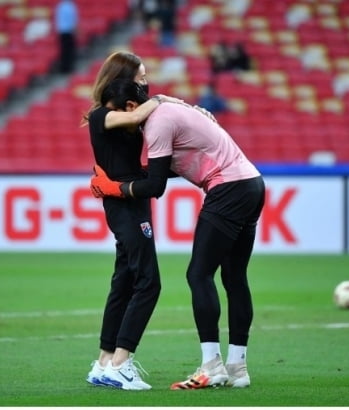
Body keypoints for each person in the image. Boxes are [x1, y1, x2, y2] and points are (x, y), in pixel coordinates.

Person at [90, 79, 266, 390]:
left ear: (131, 107)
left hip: (226, 189)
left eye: (119, 114)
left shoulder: (157, 122)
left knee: (198, 275)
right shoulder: (171, 112)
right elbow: (167, 167)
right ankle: (238, 367)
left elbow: (155, 186)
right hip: (252, 183)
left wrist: (114, 188)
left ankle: (211, 365)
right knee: (235, 278)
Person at [81, 51, 184, 390]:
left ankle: (103, 362)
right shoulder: (102, 117)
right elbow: (135, 116)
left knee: (124, 281)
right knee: (149, 283)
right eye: (140, 78)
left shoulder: (128, 115)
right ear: (121, 80)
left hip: (131, 200)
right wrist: (159, 99)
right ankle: (122, 363)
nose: (145, 83)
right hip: (124, 205)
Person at [54, 0, 78, 73]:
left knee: (64, 51)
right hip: (69, 31)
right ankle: (68, 67)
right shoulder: (70, 5)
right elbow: (73, 19)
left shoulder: (60, 5)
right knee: (69, 51)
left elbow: (57, 19)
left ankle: (64, 68)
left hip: (62, 32)